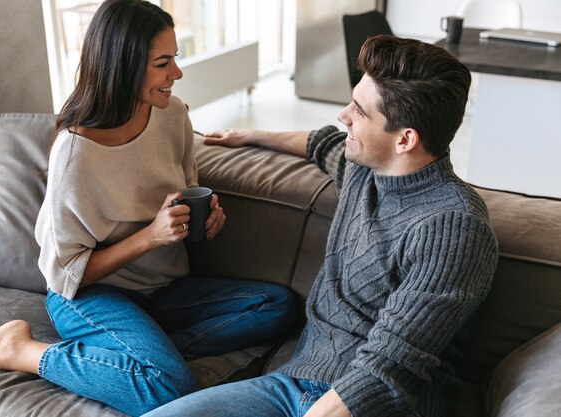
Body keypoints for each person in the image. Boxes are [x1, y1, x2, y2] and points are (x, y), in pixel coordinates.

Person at [0, 1, 295, 416]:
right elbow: (62, 275)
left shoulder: (173, 114)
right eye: (163, 63)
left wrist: (203, 217)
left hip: (160, 290)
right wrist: (151, 237)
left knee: (279, 307)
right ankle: (21, 350)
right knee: (167, 388)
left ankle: (135, 352)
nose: (176, 74)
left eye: (175, 58)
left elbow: (186, 191)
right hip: (88, 296)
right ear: (124, 67)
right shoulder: (76, 155)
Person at [142, 34, 499, 417]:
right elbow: (322, 142)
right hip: (291, 384)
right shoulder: (365, 172)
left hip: (373, 405)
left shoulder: (454, 229)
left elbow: (387, 367)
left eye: (360, 112)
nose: (344, 116)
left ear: (405, 139)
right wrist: (250, 135)